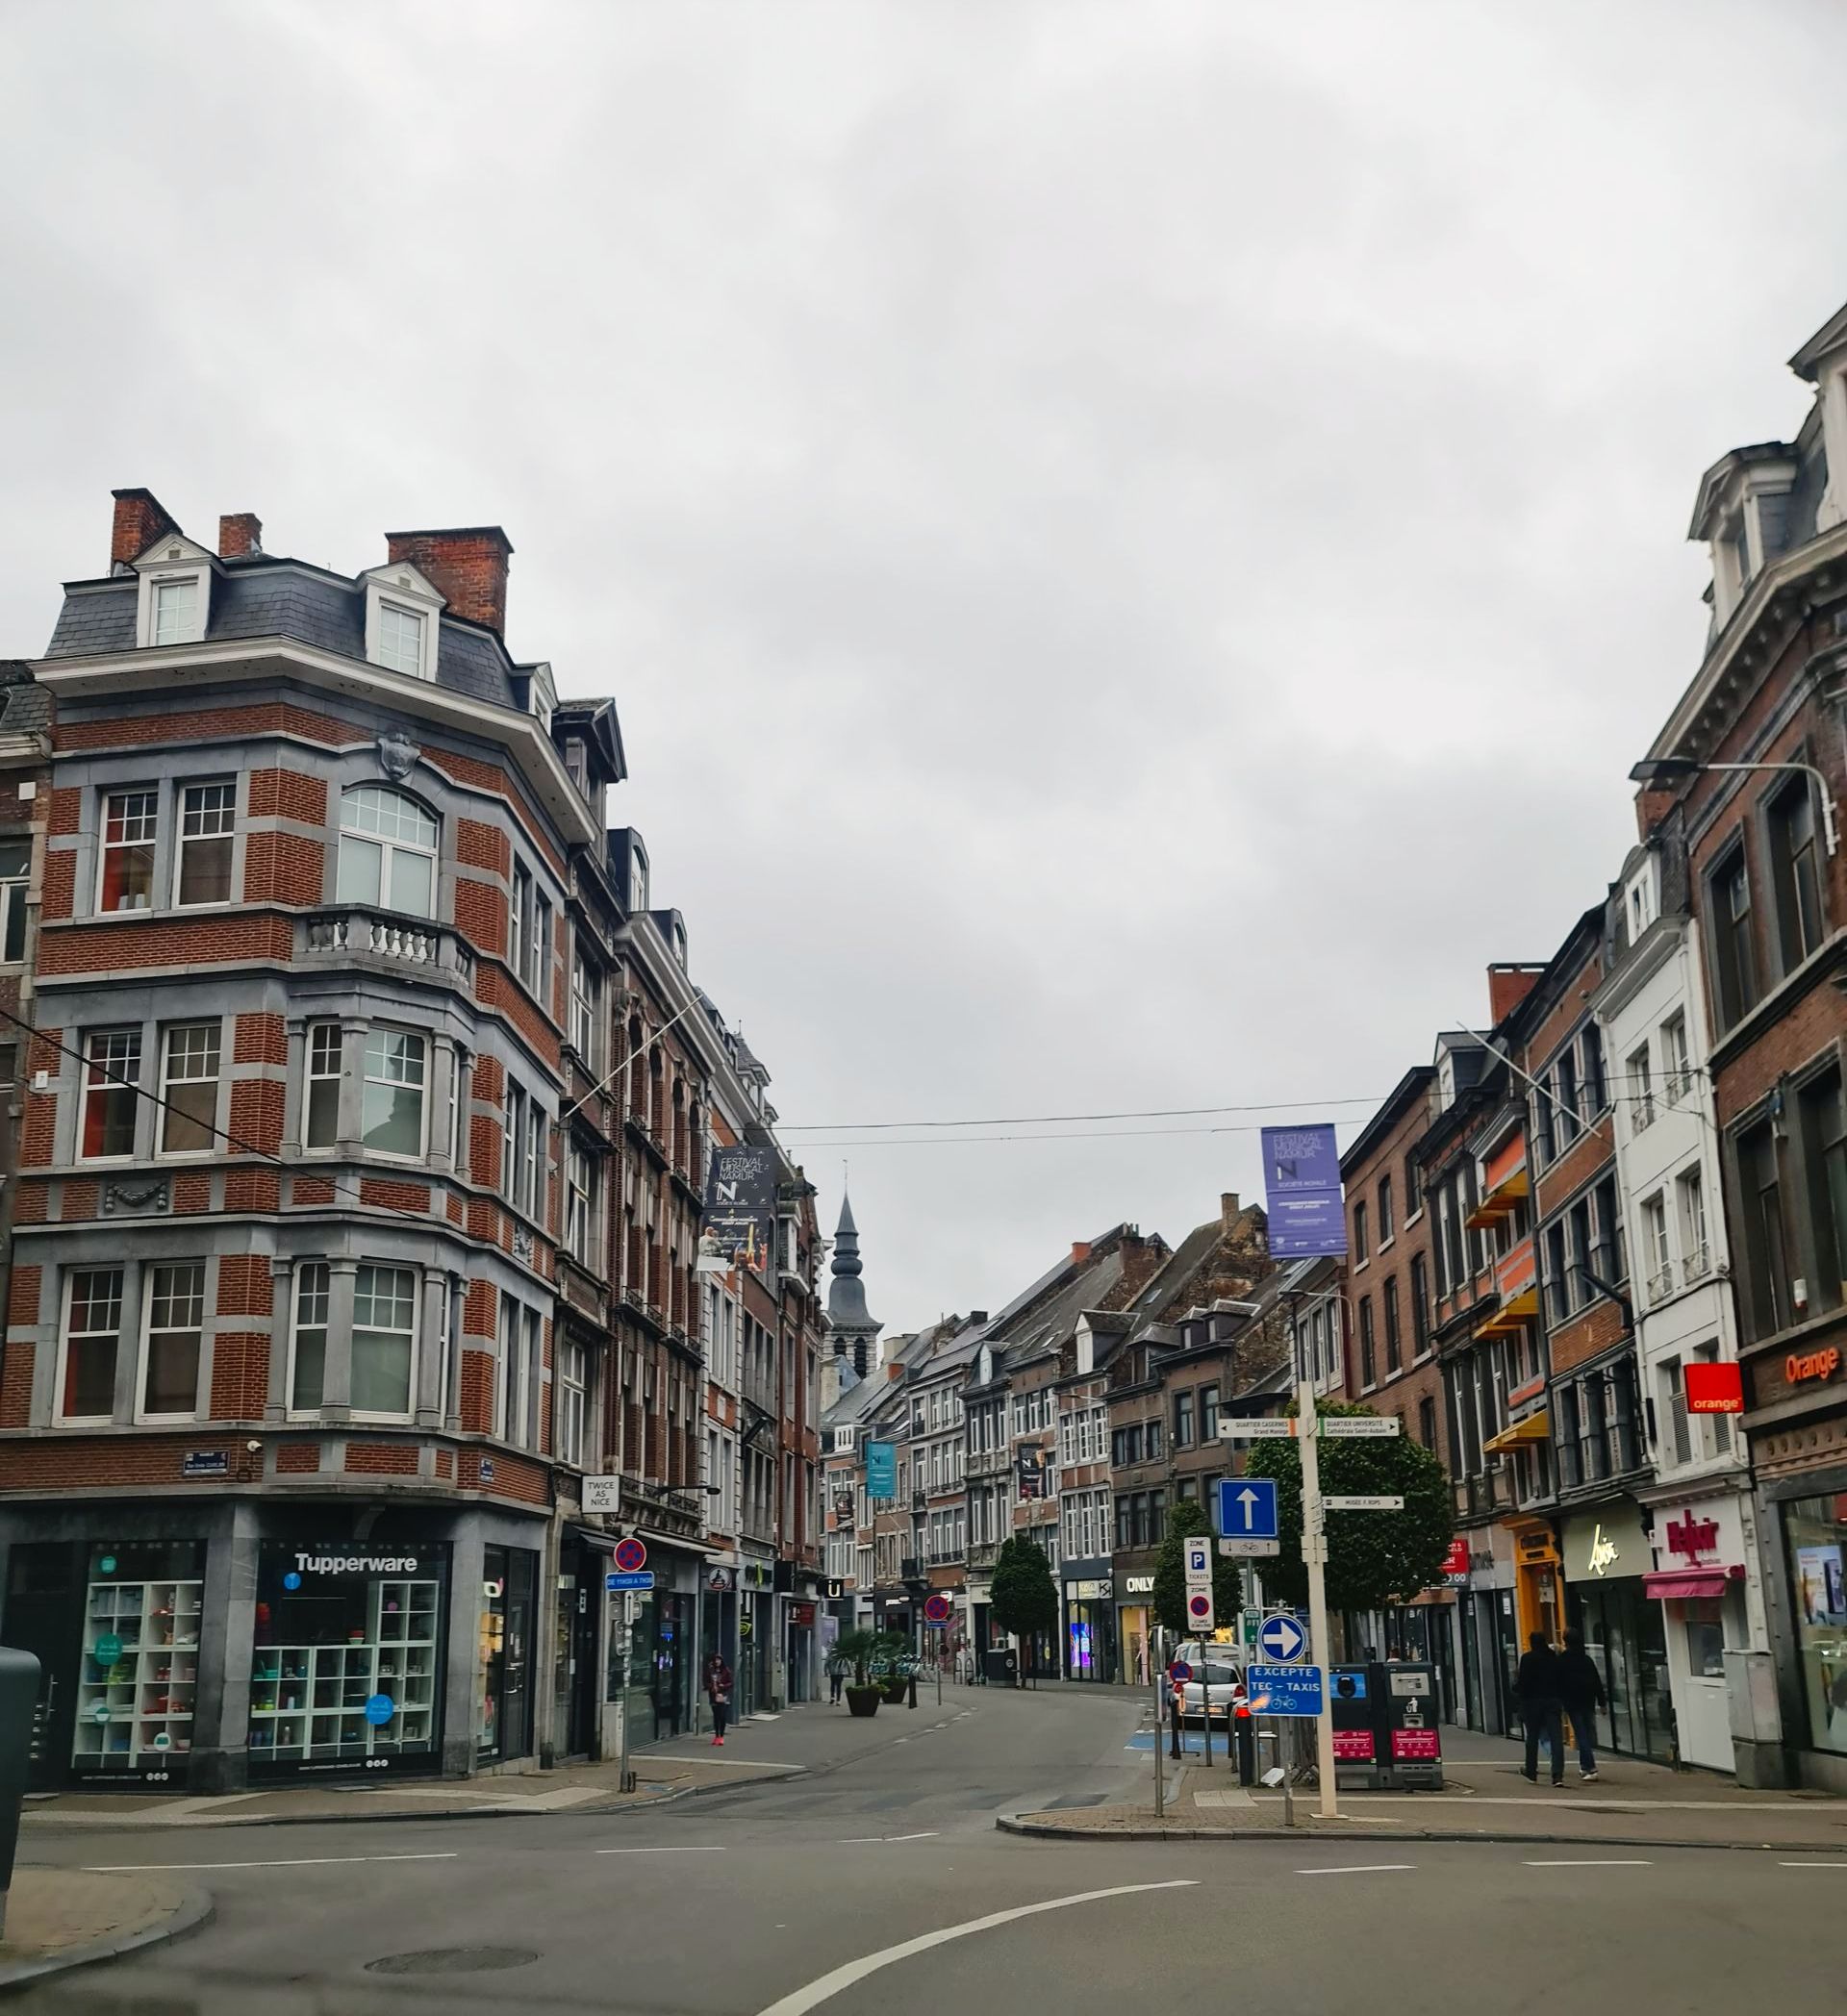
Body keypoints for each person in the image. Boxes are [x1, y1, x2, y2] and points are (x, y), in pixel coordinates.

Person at [1556, 1629, 1607, 1782]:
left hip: (1572, 1702)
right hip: (1588, 1700)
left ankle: (1589, 1767)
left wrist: (1560, 1701)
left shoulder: (1563, 1660)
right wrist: (1602, 1702)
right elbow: (1596, 1681)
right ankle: (1585, 1765)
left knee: (1581, 1734)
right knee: (1586, 1732)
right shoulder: (1586, 1660)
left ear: (1565, 1641)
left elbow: (1558, 1682)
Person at [1515, 1629, 1564, 1786]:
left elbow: (1523, 1683)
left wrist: (1518, 1694)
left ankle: (1531, 1771)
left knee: (1532, 1737)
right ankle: (1557, 1775)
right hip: (1552, 1700)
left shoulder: (1527, 1658)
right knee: (1556, 1738)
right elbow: (1560, 1679)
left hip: (1533, 1702)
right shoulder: (1553, 1658)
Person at [703, 1651, 733, 1747]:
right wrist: (711, 1686)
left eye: (718, 1660)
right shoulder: (711, 1671)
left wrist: (723, 1686)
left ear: (721, 1661)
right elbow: (705, 1682)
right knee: (716, 1716)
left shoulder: (726, 1671)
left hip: (723, 1695)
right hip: (713, 1695)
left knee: (722, 1716)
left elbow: (731, 1683)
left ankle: (721, 1736)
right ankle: (716, 1736)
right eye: (715, 1660)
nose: (717, 1661)